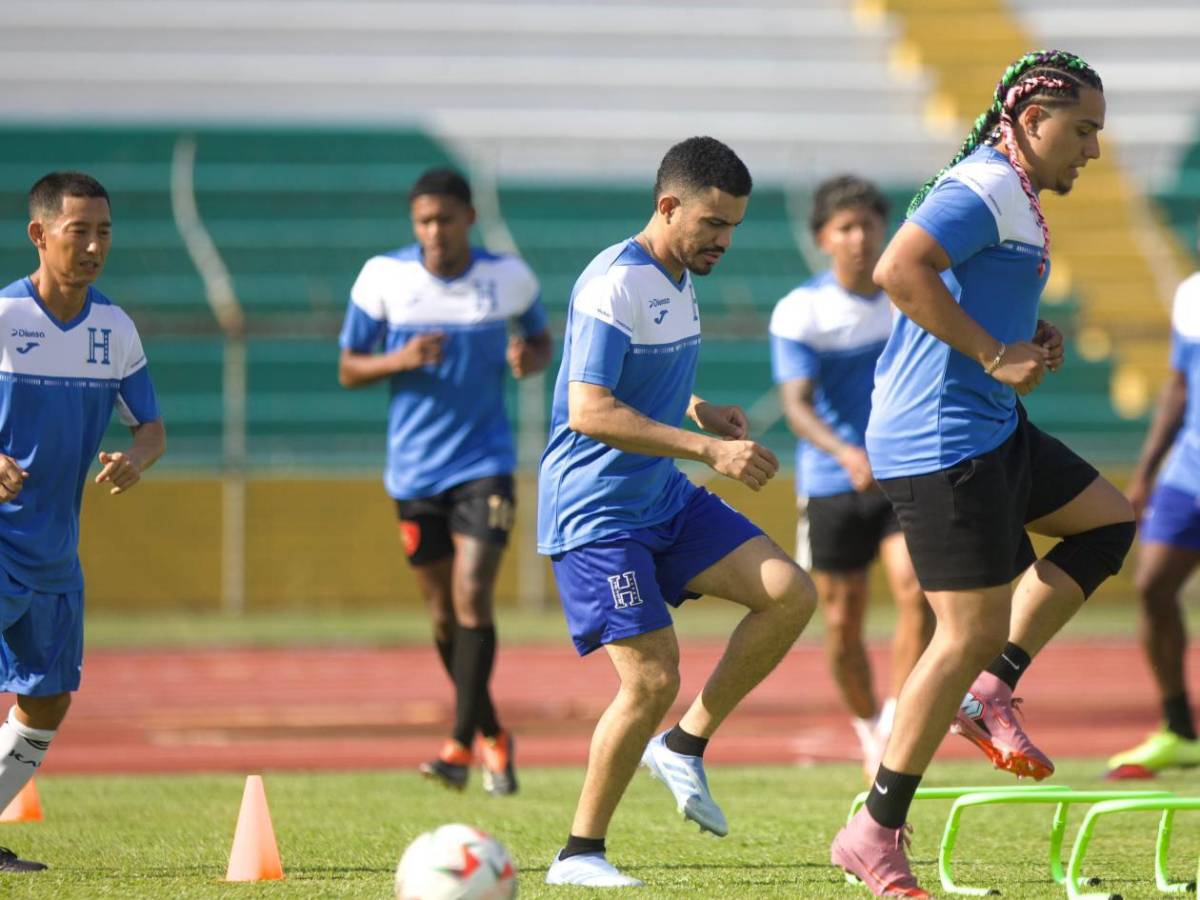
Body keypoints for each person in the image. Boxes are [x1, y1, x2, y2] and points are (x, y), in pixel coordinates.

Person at [829, 51, 1136, 897]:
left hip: (990, 426)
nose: (1093, 150)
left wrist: (1025, 338)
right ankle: (873, 831)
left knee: (1106, 522)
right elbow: (900, 269)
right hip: (940, 440)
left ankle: (990, 691)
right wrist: (994, 351)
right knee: (957, 633)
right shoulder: (989, 183)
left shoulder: (1018, 194)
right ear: (1032, 123)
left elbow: (970, 289)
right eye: (1083, 131)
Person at [537, 136, 816, 888]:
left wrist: (701, 409)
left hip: (659, 497)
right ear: (668, 207)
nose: (725, 241)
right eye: (714, 225)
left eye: (733, 227)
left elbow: (637, 381)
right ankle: (579, 856)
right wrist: (706, 449)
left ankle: (684, 746)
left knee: (791, 593)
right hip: (598, 515)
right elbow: (590, 410)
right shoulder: (614, 284)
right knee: (652, 678)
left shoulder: (678, 274)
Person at [338, 168, 551, 796]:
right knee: (440, 616)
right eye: (423, 222)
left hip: (484, 465)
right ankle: (492, 733)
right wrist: (400, 359)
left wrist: (528, 359)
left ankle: (458, 745)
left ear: (468, 219)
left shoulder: (507, 278)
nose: (434, 232)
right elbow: (349, 367)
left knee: (471, 594)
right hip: (413, 473)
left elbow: (538, 341)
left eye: (445, 220)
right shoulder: (385, 278)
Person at [0, 171, 165, 871]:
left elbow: (153, 425)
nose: (94, 245)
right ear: (40, 235)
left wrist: (137, 458)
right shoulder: (4, 318)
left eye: (104, 232)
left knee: (49, 699)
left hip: (55, 552)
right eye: (80, 232)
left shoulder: (114, 328)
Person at [770, 176, 932, 781]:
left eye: (868, 224)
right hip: (833, 482)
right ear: (822, 239)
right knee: (842, 622)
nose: (860, 238)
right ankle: (868, 726)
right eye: (846, 227)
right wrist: (846, 453)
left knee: (917, 589)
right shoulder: (802, 310)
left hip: (902, 472)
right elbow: (796, 406)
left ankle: (897, 721)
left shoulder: (909, 295)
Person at [1106, 247, 1200, 777]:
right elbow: (1181, 388)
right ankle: (1179, 729)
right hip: (1188, 475)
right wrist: (1144, 475)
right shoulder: (1191, 295)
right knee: (1152, 587)